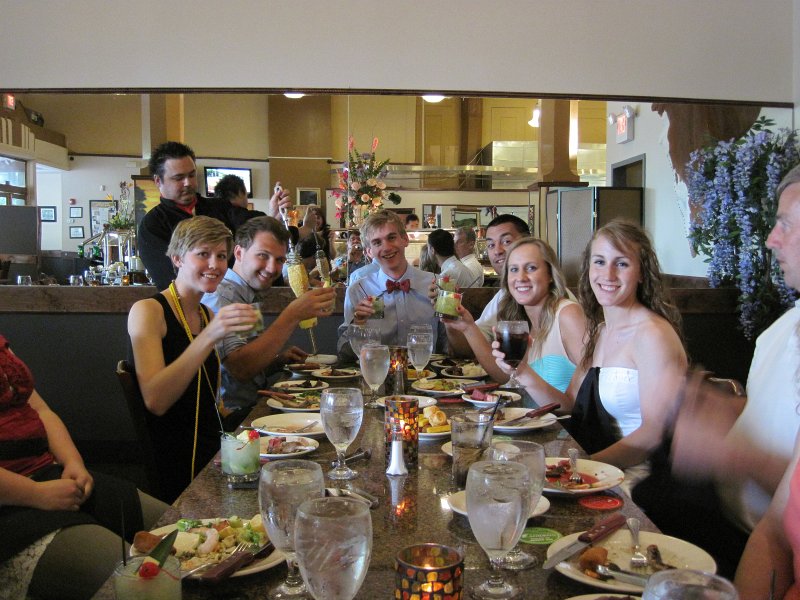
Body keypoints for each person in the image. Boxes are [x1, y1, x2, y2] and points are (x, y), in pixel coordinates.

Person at [665, 163, 800, 579]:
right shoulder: (780, 330)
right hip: (742, 537)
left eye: (787, 225)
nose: (770, 239)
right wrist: (729, 410)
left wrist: (729, 452)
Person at [512, 221, 686, 496]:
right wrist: (521, 372)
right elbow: (568, 404)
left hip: (645, 483)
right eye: (600, 262)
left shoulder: (652, 334)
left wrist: (582, 466)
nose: (608, 274)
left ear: (642, 272)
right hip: (604, 470)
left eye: (622, 264)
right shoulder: (602, 331)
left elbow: (654, 434)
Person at [0, 334, 168, 599]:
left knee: (183, 528)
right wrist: (37, 494)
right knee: (143, 581)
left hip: (47, 475)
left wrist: (73, 462)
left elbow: (41, 411)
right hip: (13, 508)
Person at [128, 216, 259, 503]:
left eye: (221, 256)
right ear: (177, 258)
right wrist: (210, 336)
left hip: (212, 446)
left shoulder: (205, 314)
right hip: (179, 458)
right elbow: (156, 400)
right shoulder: (148, 311)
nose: (215, 264)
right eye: (203, 254)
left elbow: (210, 400)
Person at [202, 216, 336, 426]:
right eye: (263, 256)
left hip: (252, 407)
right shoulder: (223, 297)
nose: (273, 268)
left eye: (280, 260)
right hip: (231, 421)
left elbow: (246, 364)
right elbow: (241, 369)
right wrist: (292, 315)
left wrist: (276, 361)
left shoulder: (246, 294)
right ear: (239, 252)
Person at [137, 141, 286, 291]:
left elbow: (251, 226)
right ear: (158, 181)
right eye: (179, 178)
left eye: (192, 175)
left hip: (239, 298)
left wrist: (273, 219)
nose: (188, 183)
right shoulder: (152, 225)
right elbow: (169, 279)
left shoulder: (219, 207)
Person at [446, 238, 584, 388]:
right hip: (528, 411)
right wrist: (468, 327)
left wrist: (522, 373)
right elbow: (507, 377)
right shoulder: (520, 317)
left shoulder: (567, 314)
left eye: (531, 268)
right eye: (514, 269)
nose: (520, 278)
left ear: (550, 274)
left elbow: (585, 397)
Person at [339, 210, 440, 355]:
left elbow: (451, 349)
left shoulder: (434, 284)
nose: (386, 247)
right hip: (376, 373)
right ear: (369, 252)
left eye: (391, 238)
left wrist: (452, 314)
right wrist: (358, 324)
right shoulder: (358, 290)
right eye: (377, 242)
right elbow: (344, 353)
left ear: (405, 239)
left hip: (425, 373)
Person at [447, 214, 530, 357]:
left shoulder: (558, 304)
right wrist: (448, 316)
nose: (497, 251)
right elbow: (469, 349)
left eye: (506, 241)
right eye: (491, 245)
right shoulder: (503, 297)